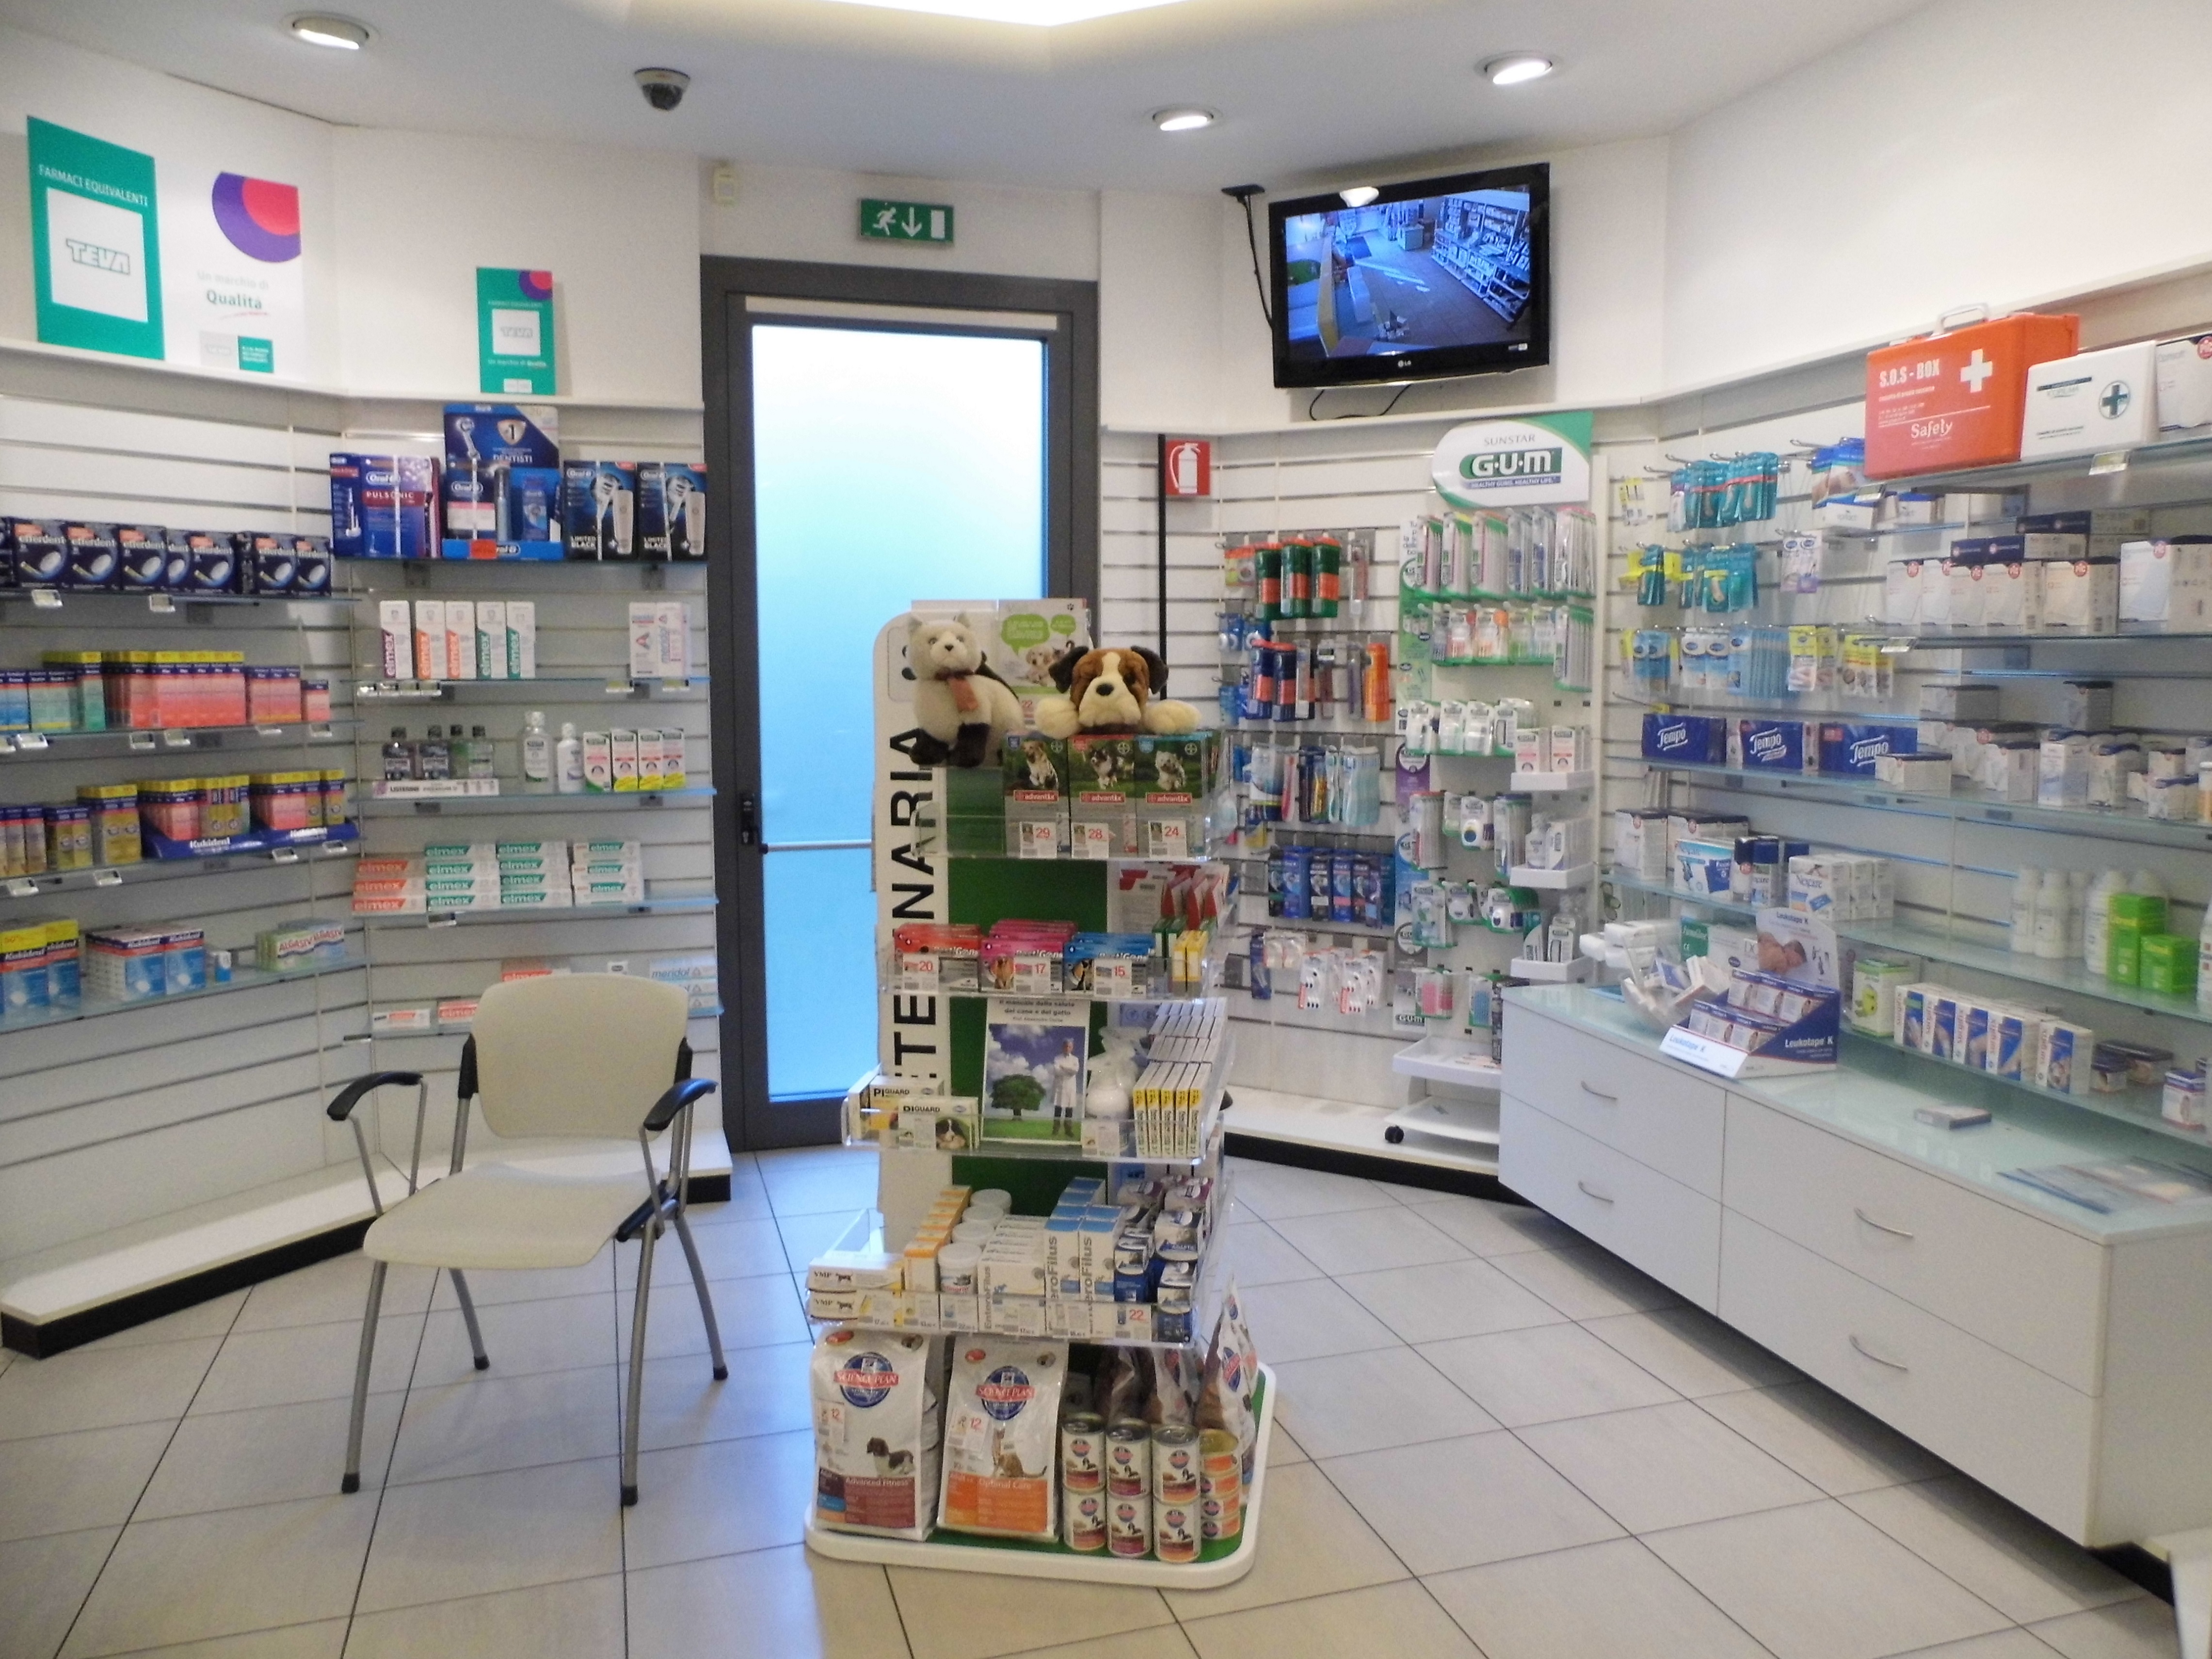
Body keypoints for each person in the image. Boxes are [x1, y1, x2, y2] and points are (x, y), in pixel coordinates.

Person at [1050, 1038, 1082, 1138]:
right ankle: (1055, 1130)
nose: (1068, 1048)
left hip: (1070, 1087)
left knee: (1069, 1110)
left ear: (1072, 1048)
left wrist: (1064, 1068)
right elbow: (1057, 1071)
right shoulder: (1057, 1058)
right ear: (1063, 1047)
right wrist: (1068, 1070)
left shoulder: (1075, 1059)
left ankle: (1068, 1130)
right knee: (1058, 1110)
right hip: (1060, 1087)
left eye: (1070, 1047)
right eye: (1066, 1046)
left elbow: (1075, 1071)